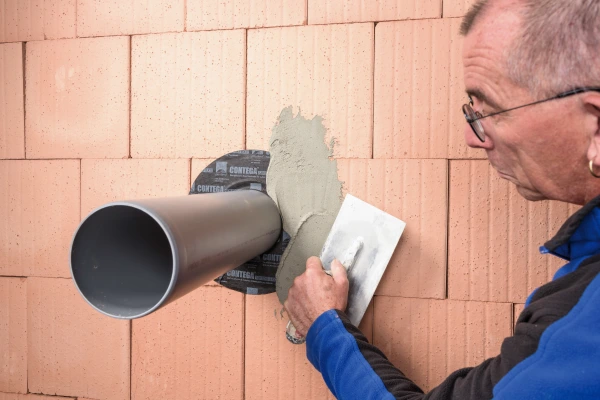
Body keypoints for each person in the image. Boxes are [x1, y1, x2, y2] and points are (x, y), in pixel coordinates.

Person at [283, 0, 600, 398]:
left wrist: (324, 326)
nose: (472, 137)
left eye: (494, 110)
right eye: (474, 110)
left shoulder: (584, 326)